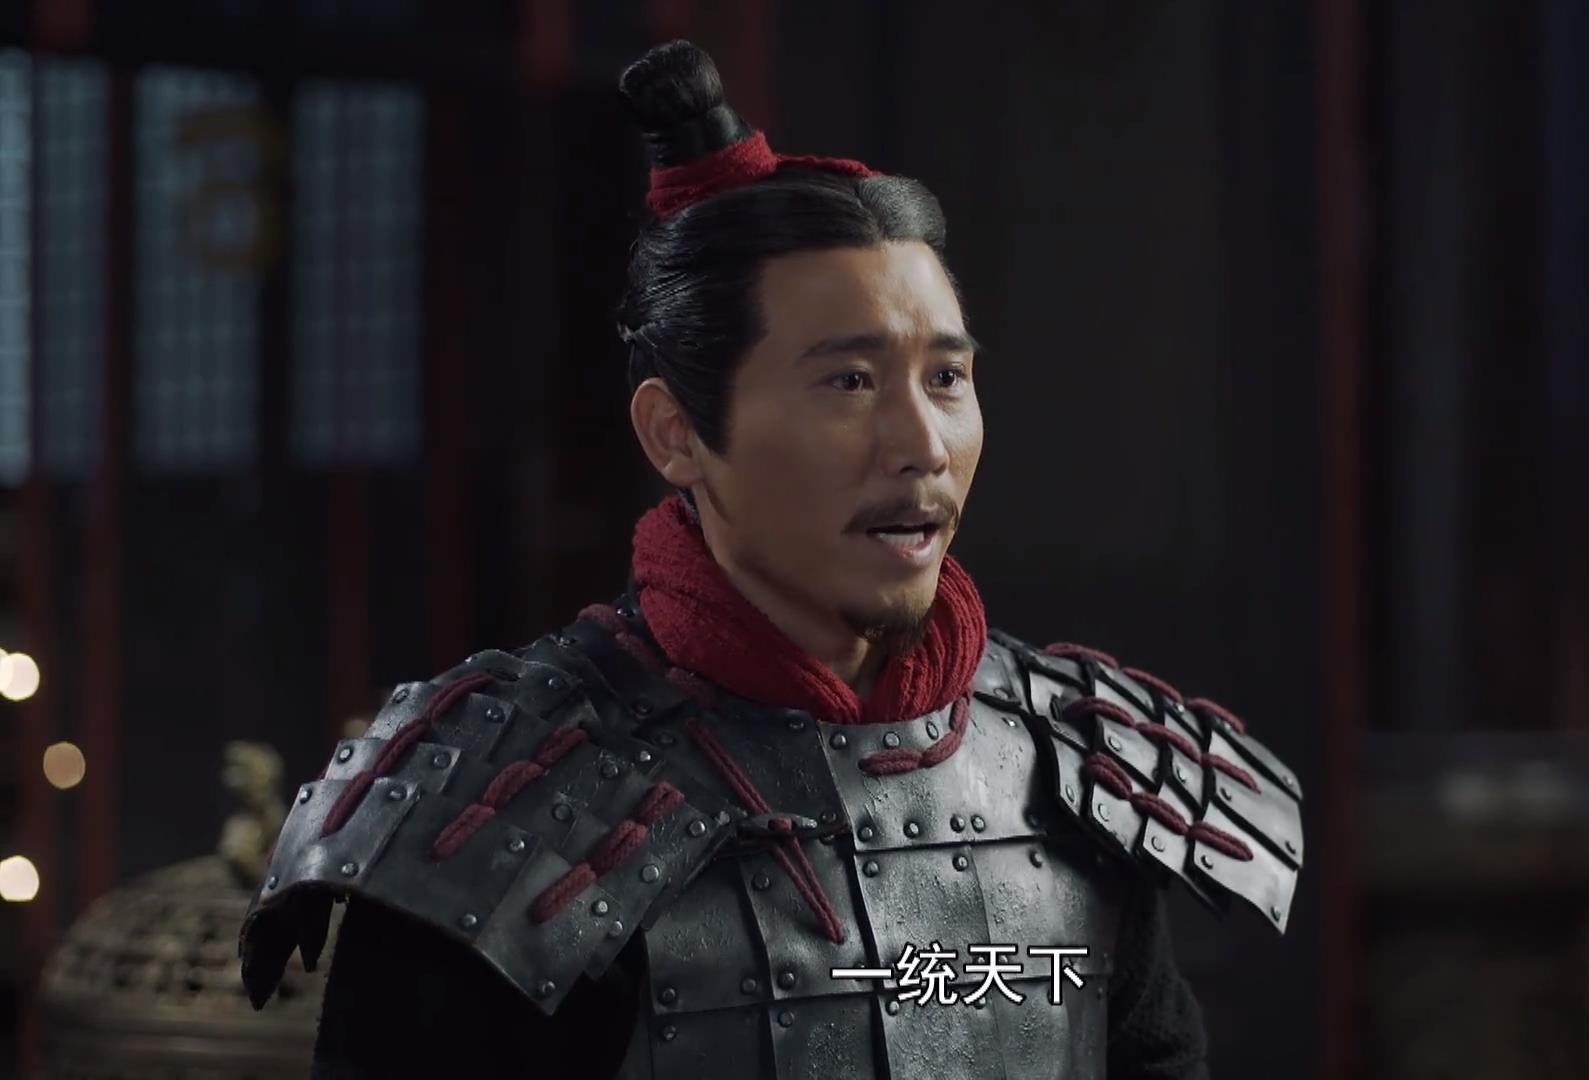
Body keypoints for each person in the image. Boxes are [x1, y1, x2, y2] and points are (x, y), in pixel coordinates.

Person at [239, 39, 1303, 1080]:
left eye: (946, 378)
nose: (921, 445)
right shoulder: (502, 801)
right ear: (676, 435)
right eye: (848, 382)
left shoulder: (1070, 766)